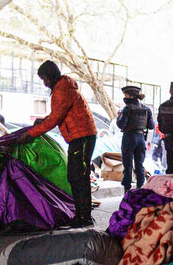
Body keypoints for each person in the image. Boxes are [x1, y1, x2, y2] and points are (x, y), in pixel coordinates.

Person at [14, 60, 97, 228]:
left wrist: (30, 134)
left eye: (44, 78)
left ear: (50, 76)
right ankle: (82, 215)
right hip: (80, 136)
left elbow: (55, 119)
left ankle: (84, 217)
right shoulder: (64, 87)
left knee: (78, 177)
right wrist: (42, 121)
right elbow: (58, 114)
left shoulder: (62, 90)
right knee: (76, 176)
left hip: (81, 137)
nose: (44, 83)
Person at [116, 86, 154, 194]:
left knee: (127, 165)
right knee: (139, 165)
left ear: (131, 96)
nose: (124, 97)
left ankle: (127, 190)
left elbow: (121, 124)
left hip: (129, 138)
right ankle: (140, 188)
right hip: (141, 138)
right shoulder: (146, 109)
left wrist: (119, 116)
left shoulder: (127, 108)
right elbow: (151, 126)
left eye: (126, 95)